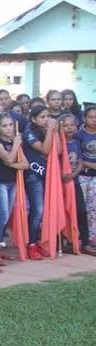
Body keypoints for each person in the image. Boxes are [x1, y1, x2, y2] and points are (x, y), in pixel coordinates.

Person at [0, 113, 27, 264]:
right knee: (2, 215)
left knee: (5, 216)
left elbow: (25, 164)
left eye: (11, 125)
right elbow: (8, 158)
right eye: (5, 126)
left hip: (12, 182)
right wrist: (16, 144)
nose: (9, 128)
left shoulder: (13, 143)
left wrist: (12, 164)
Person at [23, 105, 57, 259]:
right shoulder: (29, 133)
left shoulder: (46, 131)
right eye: (43, 117)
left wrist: (54, 131)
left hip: (46, 176)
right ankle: (31, 243)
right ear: (33, 119)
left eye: (48, 116)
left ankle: (38, 241)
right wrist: (50, 130)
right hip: (33, 175)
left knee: (44, 210)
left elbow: (58, 151)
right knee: (38, 209)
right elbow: (44, 150)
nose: (47, 119)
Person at [59, 113, 91, 254]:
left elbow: (79, 162)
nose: (69, 128)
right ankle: (61, 242)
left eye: (71, 125)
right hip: (59, 183)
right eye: (65, 125)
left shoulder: (76, 143)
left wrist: (73, 174)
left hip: (73, 180)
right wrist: (62, 174)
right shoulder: (58, 143)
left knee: (81, 211)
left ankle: (85, 242)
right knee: (61, 211)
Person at [75, 106, 96, 248]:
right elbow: (77, 159)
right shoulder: (79, 135)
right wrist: (89, 164)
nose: (94, 120)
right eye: (91, 117)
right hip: (81, 176)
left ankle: (92, 235)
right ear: (84, 118)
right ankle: (79, 236)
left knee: (93, 206)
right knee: (81, 208)